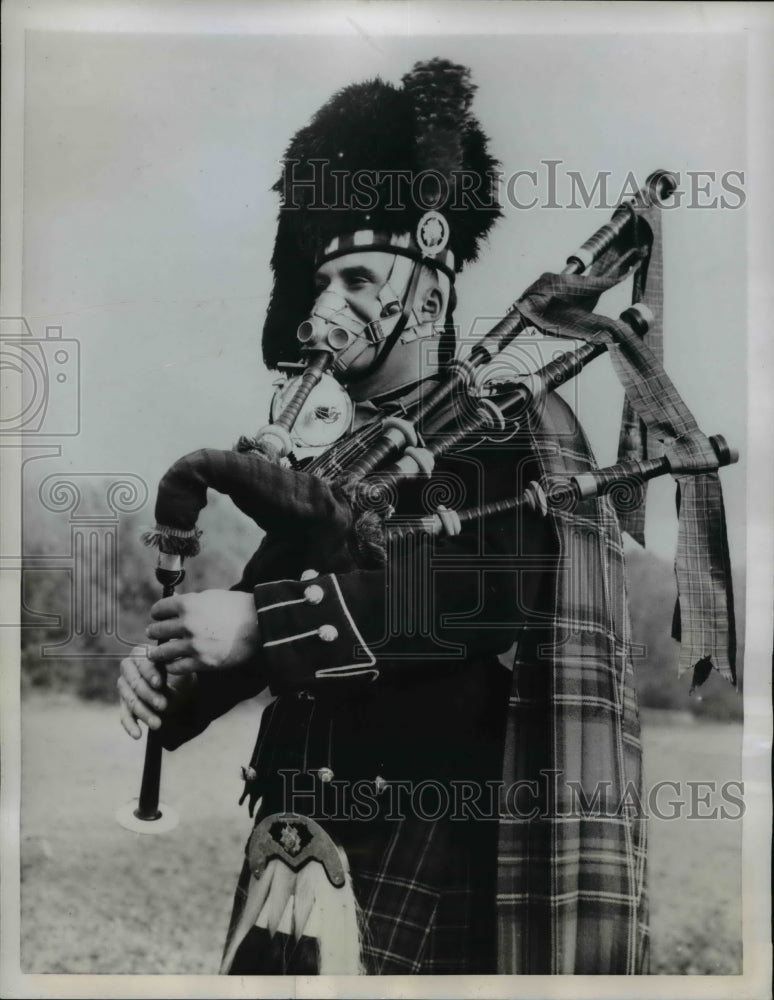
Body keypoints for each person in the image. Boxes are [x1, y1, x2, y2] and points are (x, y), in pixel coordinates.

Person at [118, 58, 649, 975]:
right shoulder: (336, 456)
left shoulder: (503, 427)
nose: (329, 306)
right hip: (291, 834)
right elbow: (260, 616)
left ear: (429, 297)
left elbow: (479, 597)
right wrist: (177, 683)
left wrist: (259, 623)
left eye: (360, 278)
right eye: (323, 282)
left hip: (428, 844)